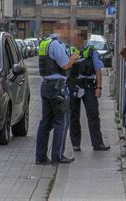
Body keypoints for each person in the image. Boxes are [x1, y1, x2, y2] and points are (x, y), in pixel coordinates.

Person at [35, 28, 79, 165]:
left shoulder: (45, 43)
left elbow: (50, 63)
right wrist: (74, 58)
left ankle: (40, 157)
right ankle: (57, 156)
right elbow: (65, 65)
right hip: (57, 87)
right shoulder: (57, 45)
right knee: (62, 121)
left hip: (46, 86)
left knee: (45, 122)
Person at [67, 43, 110, 152]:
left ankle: (98, 143)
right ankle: (75, 144)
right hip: (73, 85)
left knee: (93, 114)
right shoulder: (69, 50)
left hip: (88, 86)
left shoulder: (91, 51)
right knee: (73, 115)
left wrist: (99, 87)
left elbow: (98, 70)